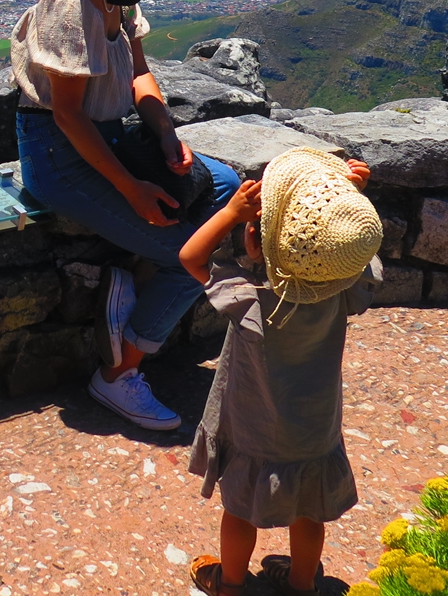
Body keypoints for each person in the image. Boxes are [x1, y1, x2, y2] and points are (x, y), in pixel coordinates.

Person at [11, 0, 241, 430]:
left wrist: (166, 135)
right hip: (62, 154)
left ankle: (129, 292)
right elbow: (66, 114)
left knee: (228, 185)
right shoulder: (70, 6)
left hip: (112, 136)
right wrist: (131, 187)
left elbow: (140, 76)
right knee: (191, 255)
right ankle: (118, 371)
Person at [181, 148, 384, 596]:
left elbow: (191, 257)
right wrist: (345, 199)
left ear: (258, 240)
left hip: (253, 429)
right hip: (314, 429)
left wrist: (231, 213)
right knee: (309, 512)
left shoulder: (249, 297)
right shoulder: (342, 289)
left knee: (238, 509)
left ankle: (231, 583)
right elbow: (350, 252)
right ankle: (301, 584)